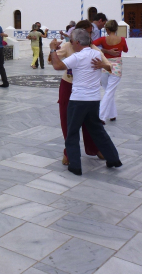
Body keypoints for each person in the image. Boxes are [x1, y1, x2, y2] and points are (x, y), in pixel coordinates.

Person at [49, 29, 122, 176]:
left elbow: (57, 66)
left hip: (78, 100)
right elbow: (112, 67)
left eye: (71, 41)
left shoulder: (77, 57)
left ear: (77, 42)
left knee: (72, 132)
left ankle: (75, 166)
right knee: (98, 131)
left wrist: (52, 50)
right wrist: (102, 66)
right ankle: (113, 159)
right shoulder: (96, 54)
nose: (71, 44)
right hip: (93, 100)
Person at [51, 20, 107, 165]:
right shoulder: (68, 46)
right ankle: (69, 152)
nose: (89, 36)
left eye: (90, 33)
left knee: (90, 120)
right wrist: (53, 51)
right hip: (68, 86)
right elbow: (53, 62)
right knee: (67, 120)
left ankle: (94, 147)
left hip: (86, 90)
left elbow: (109, 65)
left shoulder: (93, 49)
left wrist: (102, 65)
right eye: (87, 32)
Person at [93, 20, 129, 122]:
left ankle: (112, 114)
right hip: (116, 68)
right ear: (116, 29)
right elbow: (126, 50)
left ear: (107, 29)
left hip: (105, 66)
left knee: (108, 91)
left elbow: (91, 45)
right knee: (109, 91)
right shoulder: (122, 39)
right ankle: (101, 116)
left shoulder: (103, 39)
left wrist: (105, 50)